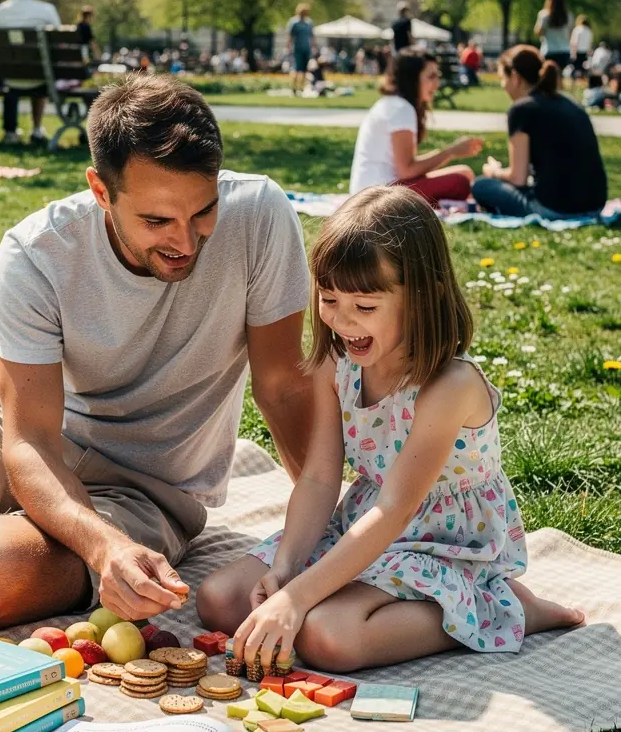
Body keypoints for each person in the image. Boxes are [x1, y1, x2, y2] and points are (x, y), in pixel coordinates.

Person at [0, 77, 314, 628]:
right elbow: (31, 441)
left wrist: (332, 523)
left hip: (148, 486)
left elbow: (283, 387)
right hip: (17, 434)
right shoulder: (37, 253)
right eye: (156, 221)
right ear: (101, 191)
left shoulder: (260, 215)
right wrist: (103, 550)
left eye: (203, 213)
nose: (186, 243)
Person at [196, 186, 584, 671]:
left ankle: (500, 607)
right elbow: (319, 478)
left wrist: (297, 599)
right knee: (219, 599)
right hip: (363, 522)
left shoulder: (450, 386)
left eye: (365, 306)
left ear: (422, 296)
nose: (342, 320)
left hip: (442, 541)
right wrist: (284, 570)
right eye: (329, 299)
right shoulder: (336, 364)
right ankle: (329, 597)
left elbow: (395, 509)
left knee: (327, 637)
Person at [472, 46, 607, 219]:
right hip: (595, 205)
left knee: (481, 185)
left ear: (515, 77)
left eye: (502, 78)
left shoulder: (521, 109)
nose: (502, 85)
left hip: (554, 208)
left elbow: (518, 178)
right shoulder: (569, 102)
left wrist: (494, 172)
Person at [348, 49, 482, 206]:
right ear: (412, 79)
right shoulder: (401, 109)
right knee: (461, 181)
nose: (437, 83)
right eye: (431, 76)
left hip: (374, 190)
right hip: (377, 197)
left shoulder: (393, 103)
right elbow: (406, 170)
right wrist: (451, 152)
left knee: (465, 172)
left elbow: (405, 169)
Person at [0, 0, 61, 143]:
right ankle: (36, 129)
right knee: (39, 67)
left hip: (7, 75)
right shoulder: (47, 11)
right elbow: (58, 43)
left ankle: (10, 132)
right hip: (40, 76)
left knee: (14, 67)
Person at [534, 0, 572, 74]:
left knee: (548, 77)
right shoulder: (568, 16)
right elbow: (570, 34)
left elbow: (538, 33)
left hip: (549, 51)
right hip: (564, 51)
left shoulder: (544, 15)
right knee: (559, 77)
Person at [286, 3, 314, 93]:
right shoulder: (294, 22)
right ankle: (294, 88)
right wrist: (288, 47)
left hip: (307, 48)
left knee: (305, 70)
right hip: (297, 49)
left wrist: (314, 47)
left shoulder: (309, 23)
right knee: (297, 69)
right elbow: (290, 36)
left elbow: (312, 36)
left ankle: (301, 88)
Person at [569, 15, 593, 81]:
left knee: (575, 68)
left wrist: (573, 52)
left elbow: (574, 42)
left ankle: (574, 81)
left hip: (577, 51)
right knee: (583, 68)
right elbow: (590, 43)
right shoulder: (589, 31)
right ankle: (583, 81)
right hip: (585, 52)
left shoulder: (577, 29)